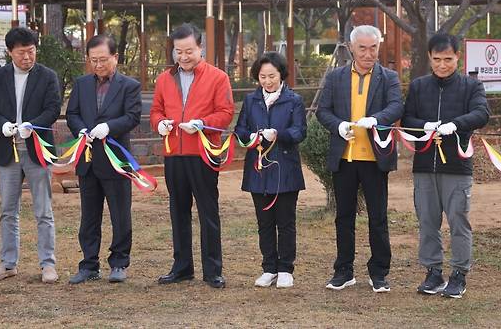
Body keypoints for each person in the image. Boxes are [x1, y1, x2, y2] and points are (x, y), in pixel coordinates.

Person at [316, 24, 404, 293]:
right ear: (351, 48)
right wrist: (338, 126)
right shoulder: (336, 77)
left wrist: (376, 119)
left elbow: (396, 105)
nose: (368, 54)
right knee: (344, 217)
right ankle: (343, 270)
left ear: (379, 47)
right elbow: (323, 110)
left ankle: (379, 272)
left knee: (377, 217)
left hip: (374, 158)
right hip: (344, 157)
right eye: (362, 48)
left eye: (373, 48)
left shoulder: (388, 77)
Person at [403, 33, 489, 299]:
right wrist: (423, 126)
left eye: (448, 59)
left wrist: (457, 124)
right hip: (424, 166)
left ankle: (459, 274)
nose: (442, 65)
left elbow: (482, 113)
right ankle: (433, 272)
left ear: (458, 57)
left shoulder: (471, 86)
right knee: (427, 221)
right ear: (429, 57)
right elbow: (407, 117)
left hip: (457, 166)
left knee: (458, 221)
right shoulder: (418, 86)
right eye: (437, 59)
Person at [150, 23, 234, 289]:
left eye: (189, 51)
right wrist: (160, 123)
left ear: (200, 48)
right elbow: (156, 111)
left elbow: (225, 113)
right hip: (174, 153)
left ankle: (213, 270)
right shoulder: (164, 78)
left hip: (203, 153)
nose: (183, 57)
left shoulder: (218, 77)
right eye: (178, 52)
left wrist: (202, 123)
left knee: (208, 211)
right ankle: (182, 267)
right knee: (178, 211)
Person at [0, 27, 61, 284]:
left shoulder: (47, 76)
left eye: (31, 52)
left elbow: (53, 108)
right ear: (10, 53)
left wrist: (33, 125)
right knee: (7, 209)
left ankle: (48, 264)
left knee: (43, 210)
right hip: (9, 150)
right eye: (21, 53)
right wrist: (2, 125)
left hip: (37, 149)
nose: (27, 57)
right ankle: (8, 263)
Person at [66, 35, 142, 284]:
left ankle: (119, 262)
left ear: (115, 57)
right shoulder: (81, 84)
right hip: (87, 160)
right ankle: (89, 264)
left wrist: (109, 127)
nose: (98, 65)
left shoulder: (129, 86)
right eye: (93, 60)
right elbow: (73, 113)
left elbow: (132, 117)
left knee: (120, 214)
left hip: (116, 160)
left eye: (103, 60)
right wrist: (80, 129)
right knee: (89, 215)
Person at [235, 52, 307, 289]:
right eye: (262, 77)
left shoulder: (293, 100)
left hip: (285, 168)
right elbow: (240, 131)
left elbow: (299, 131)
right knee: (264, 221)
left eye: (272, 76)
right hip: (258, 168)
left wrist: (278, 134)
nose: (267, 81)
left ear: (281, 75)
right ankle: (269, 267)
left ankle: (286, 268)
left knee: (285, 221)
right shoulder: (251, 100)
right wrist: (251, 137)